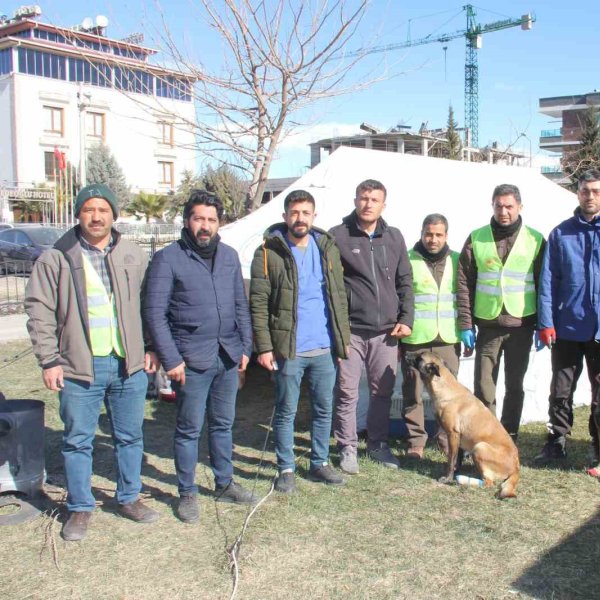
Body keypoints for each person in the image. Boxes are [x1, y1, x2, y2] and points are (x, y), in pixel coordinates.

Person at [25, 183, 159, 541]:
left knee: (130, 436)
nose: (96, 216)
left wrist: (151, 347)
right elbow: (39, 311)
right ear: (78, 214)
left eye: (103, 209)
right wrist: (49, 359)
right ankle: (81, 507)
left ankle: (129, 497)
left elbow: (148, 306)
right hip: (77, 366)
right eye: (88, 210)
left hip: (128, 364)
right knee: (77, 440)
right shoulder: (57, 257)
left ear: (114, 214)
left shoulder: (132, 254)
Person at [142, 191, 256, 522]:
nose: (205, 226)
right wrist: (171, 358)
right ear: (187, 221)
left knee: (223, 424)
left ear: (219, 222)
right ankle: (187, 492)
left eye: (211, 219)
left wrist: (245, 348)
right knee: (189, 428)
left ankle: (224, 483)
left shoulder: (230, 256)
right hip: (190, 359)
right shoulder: (168, 259)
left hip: (227, 356)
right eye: (198, 218)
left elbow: (240, 306)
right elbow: (155, 313)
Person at [249, 189, 351, 491]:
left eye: (305, 213)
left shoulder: (327, 248)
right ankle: (286, 468)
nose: (300, 218)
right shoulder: (268, 253)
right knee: (286, 410)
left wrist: (341, 342)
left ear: (314, 216)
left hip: (324, 345)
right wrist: (264, 347)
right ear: (285, 216)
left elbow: (338, 297)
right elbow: (258, 302)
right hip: (288, 348)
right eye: (294, 213)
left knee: (323, 408)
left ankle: (319, 462)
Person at [535, 171, 600, 461]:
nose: (589, 196)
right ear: (577, 194)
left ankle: (599, 443)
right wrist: (546, 321)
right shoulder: (561, 234)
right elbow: (548, 281)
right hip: (568, 325)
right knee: (561, 387)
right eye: (584, 191)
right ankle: (557, 438)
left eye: (595, 191)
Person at [330, 179, 413, 473]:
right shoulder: (338, 236)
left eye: (374, 199)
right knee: (347, 391)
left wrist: (406, 319)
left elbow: (405, 280)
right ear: (355, 200)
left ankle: (377, 444)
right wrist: (338, 328)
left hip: (387, 332)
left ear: (383, 205)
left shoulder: (394, 237)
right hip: (351, 330)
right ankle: (347, 447)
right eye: (364, 198)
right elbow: (331, 286)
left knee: (382, 391)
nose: (368, 204)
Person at [457, 183, 545, 440]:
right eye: (499, 206)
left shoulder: (536, 240)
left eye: (509, 206)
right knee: (484, 387)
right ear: (492, 206)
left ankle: (509, 436)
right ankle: (486, 436)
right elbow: (464, 282)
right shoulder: (476, 238)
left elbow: (544, 284)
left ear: (519, 206)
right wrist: (465, 323)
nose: (504, 211)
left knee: (515, 386)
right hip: (488, 325)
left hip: (522, 325)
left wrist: (543, 323)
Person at [400, 214, 461, 458]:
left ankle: (445, 437)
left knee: (449, 393)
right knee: (413, 391)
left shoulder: (458, 259)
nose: (433, 239)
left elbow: (464, 295)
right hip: (416, 337)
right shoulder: (406, 258)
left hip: (447, 337)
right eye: (428, 234)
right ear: (421, 233)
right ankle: (416, 441)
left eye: (438, 235)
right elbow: (401, 296)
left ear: (446, 235)